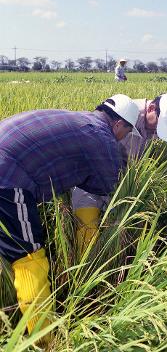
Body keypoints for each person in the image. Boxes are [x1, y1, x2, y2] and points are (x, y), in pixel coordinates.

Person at [0, 94, 140, 346]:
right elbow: (102, 190)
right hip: (7, 177)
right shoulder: (104, 140)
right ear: (118, 125)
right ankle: (46, 342)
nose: (124, 138)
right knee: (30, 260)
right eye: (127, 132)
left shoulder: (79, 120)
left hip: (7, 159)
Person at [72, 92, 167, 254]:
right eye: (158, 126)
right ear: (152, 108)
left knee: (116, 232)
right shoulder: (124, 114)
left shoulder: (151, 125)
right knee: (87, 228)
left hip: (119, 186)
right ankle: (84, 270)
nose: (156, 132)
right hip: (91, 180)